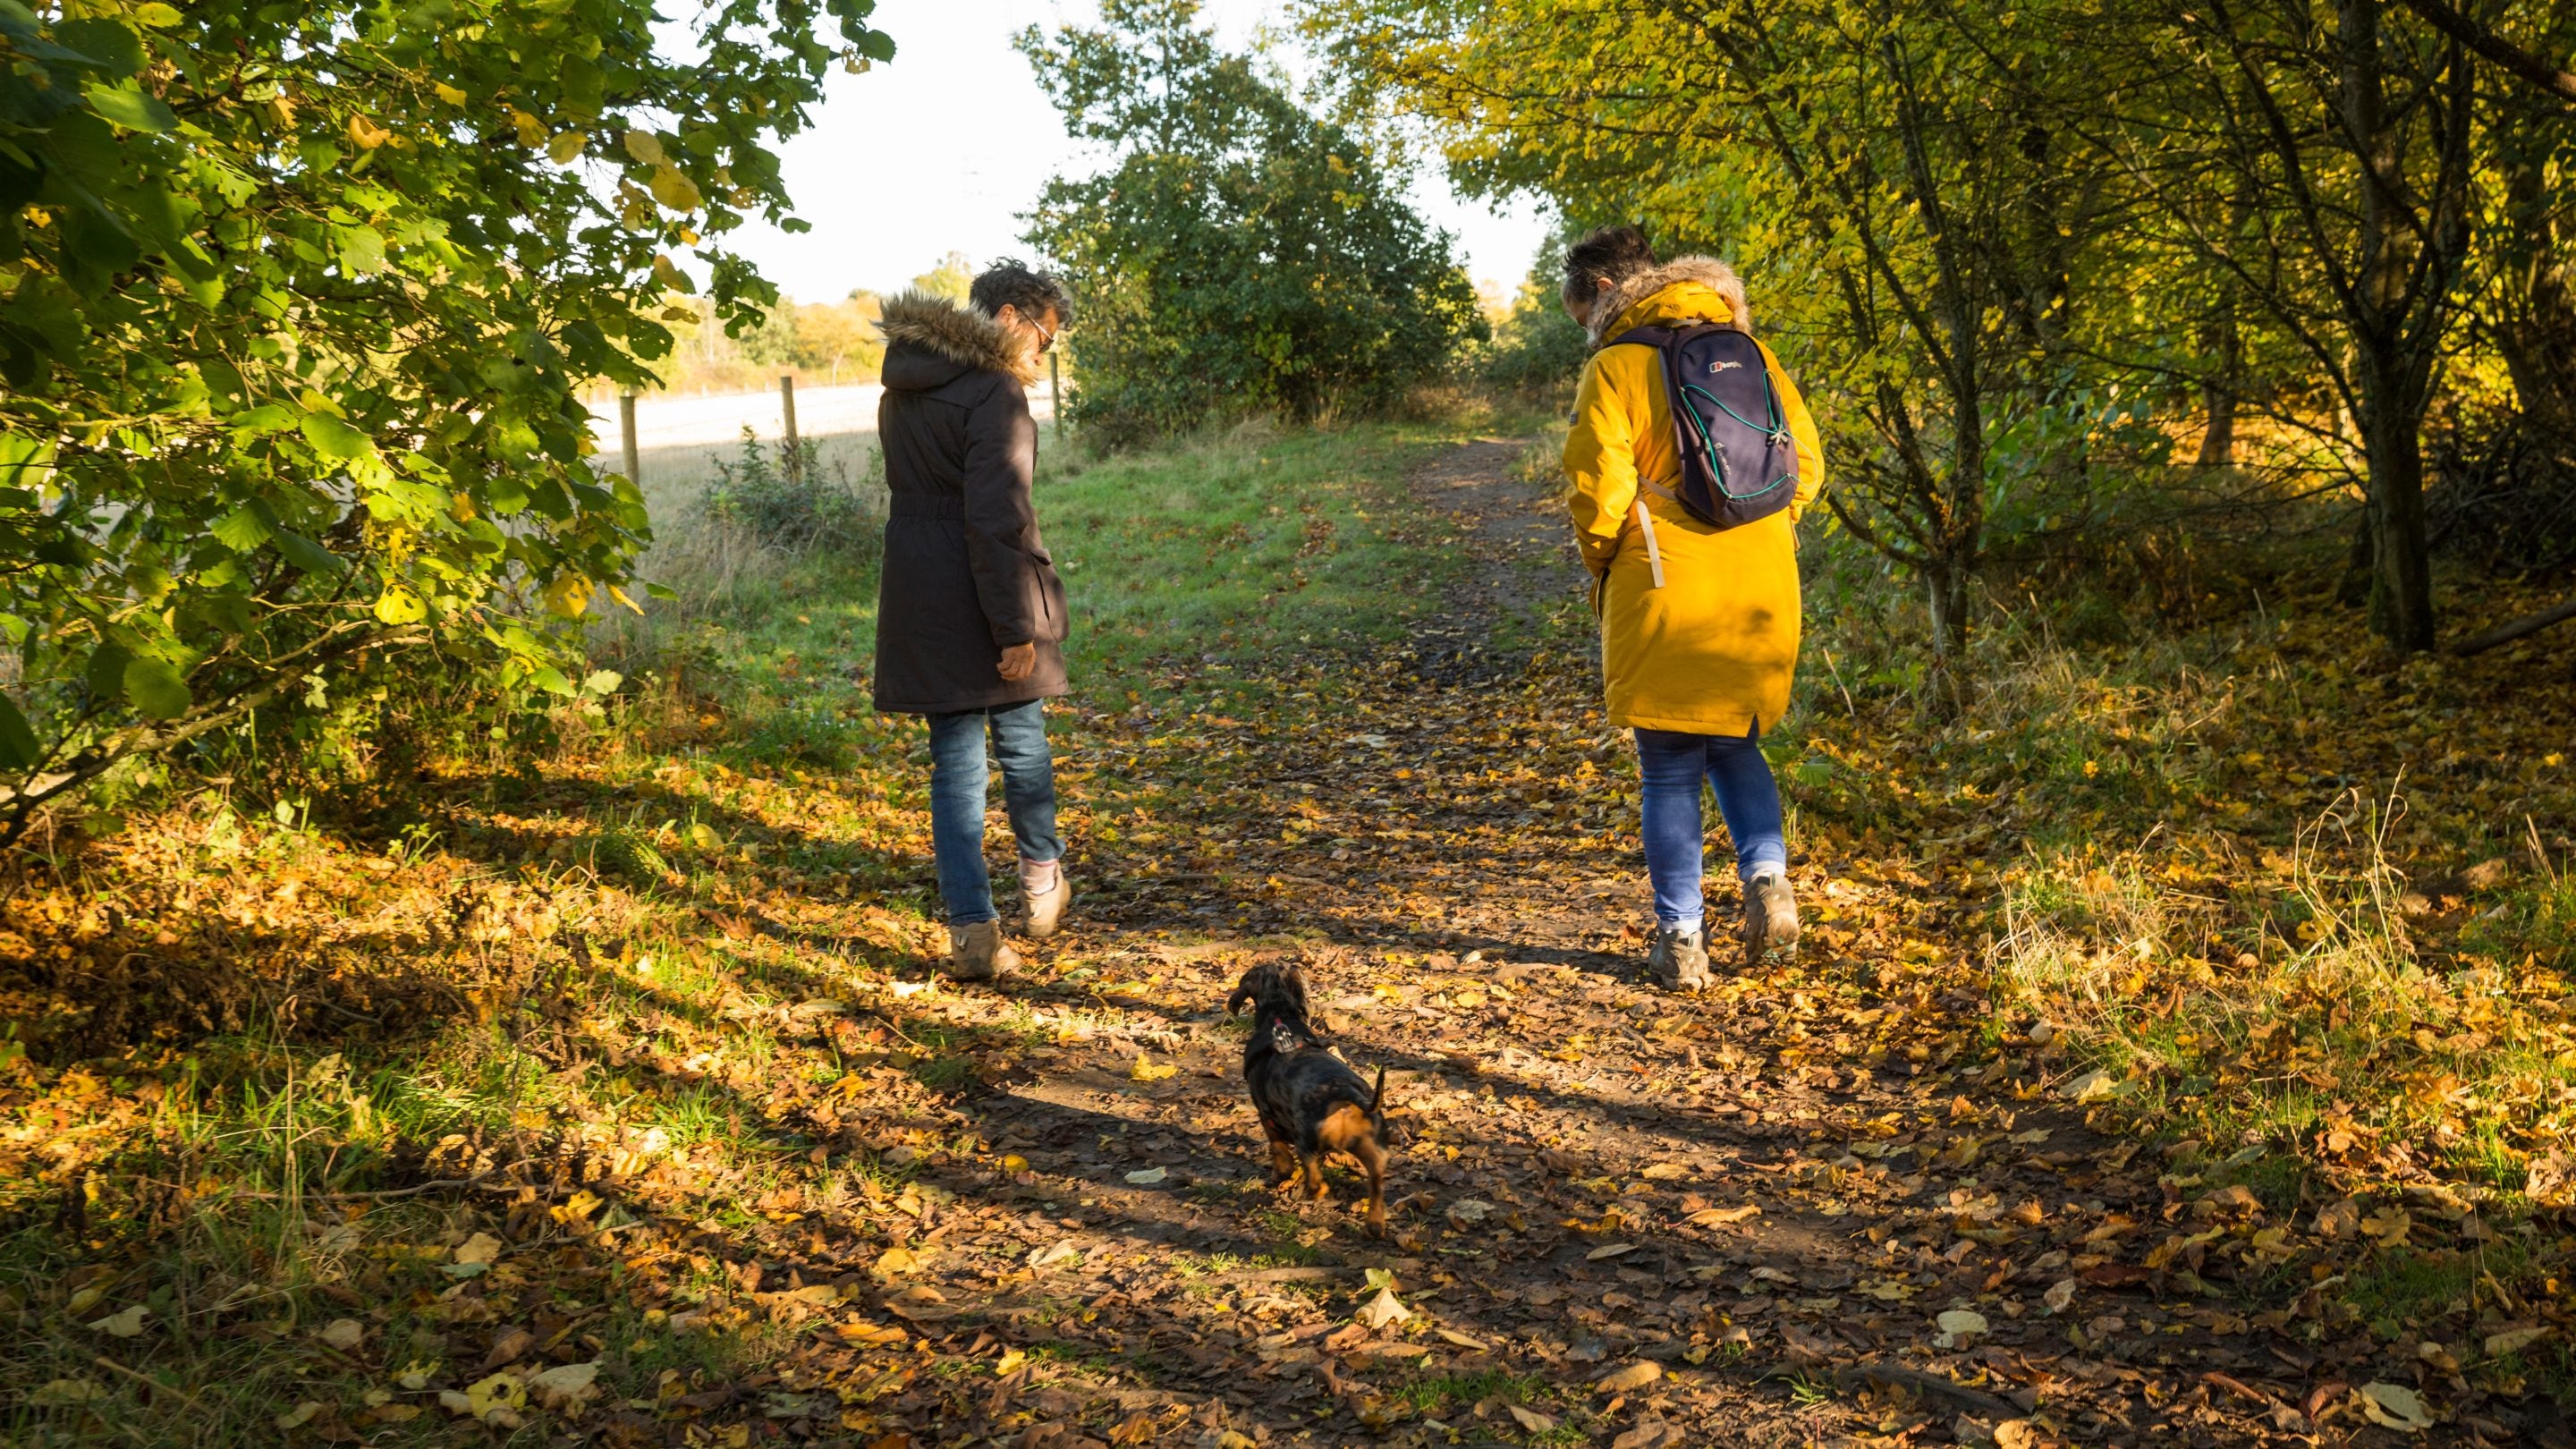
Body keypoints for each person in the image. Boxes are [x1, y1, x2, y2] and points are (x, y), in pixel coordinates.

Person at [1558, 226, 1826, 991]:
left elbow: (1597, 492)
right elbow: (1806, 465)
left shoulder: (1617, 365)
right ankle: (1769, 879)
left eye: (1583, 318)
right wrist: (1765, 531)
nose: (1587, 334)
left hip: (1667, 584)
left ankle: (1681, 941)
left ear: (1607, 293)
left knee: (1669, 767)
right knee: (1737, 741)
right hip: (1761, 583)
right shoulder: (1754, 352)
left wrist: (1606, 558)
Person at [873, 260, 1076, 980]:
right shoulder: (995, 393)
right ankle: (1040, 879)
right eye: (1043, 339)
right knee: (1021, 739)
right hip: (984, 586)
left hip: (920, 591)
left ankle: (973, 933)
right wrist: (1015, 626)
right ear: (1010, 318)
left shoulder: (904, 382)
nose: (1041, 356)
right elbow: (997, 516)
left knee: (954, 768)